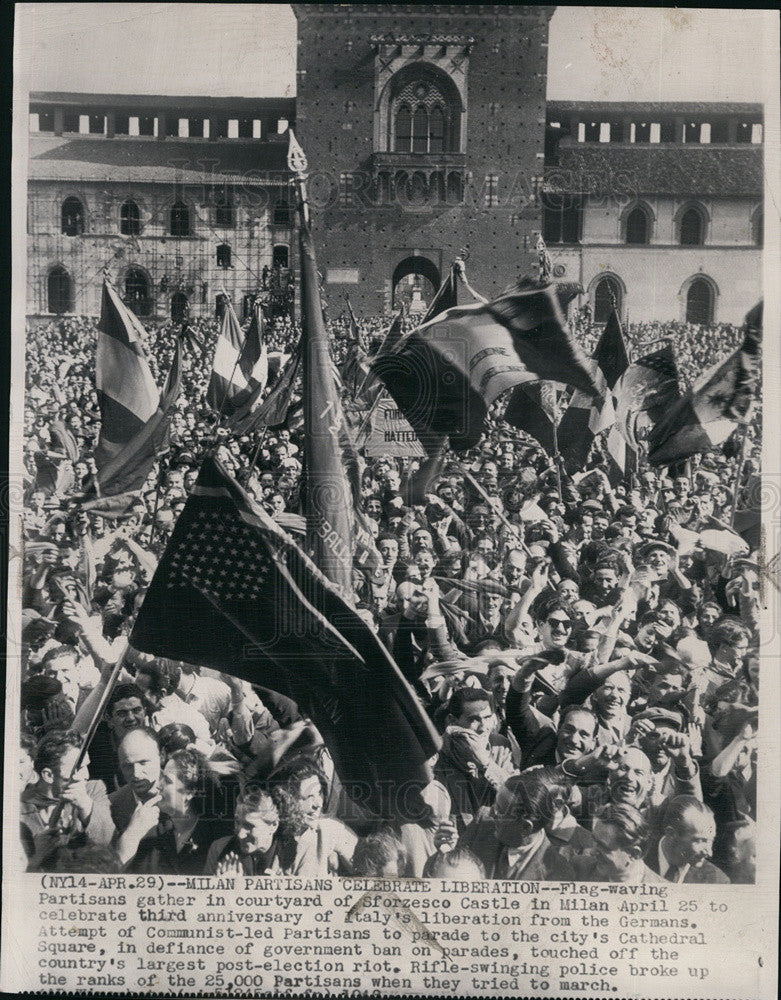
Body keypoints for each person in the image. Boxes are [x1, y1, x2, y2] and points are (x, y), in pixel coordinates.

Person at [22, 730, 114, 865]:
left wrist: (85, 807)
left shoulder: (93, 791)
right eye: (79, 768)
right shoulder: (18, 806)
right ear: (48, 775)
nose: (86, 775)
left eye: (86, 766)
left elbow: (109, 842)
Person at [269, 758, 358, 876]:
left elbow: (366, 871)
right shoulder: (271, 832)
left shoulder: (331, 829)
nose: (318, 804)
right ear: (288, 799)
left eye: (319, 793)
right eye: (308, 797)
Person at [648, 795, 729, 883]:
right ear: (671, 834)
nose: (710, 853)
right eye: (699, 841)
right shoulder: (636, 860)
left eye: (710, 840)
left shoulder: (716, 881)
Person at [205, 786, 283, 875]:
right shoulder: (220, 849)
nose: (240, 835)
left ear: (273, 826)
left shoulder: (291, 855)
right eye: (237, 823)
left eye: (249, 826)